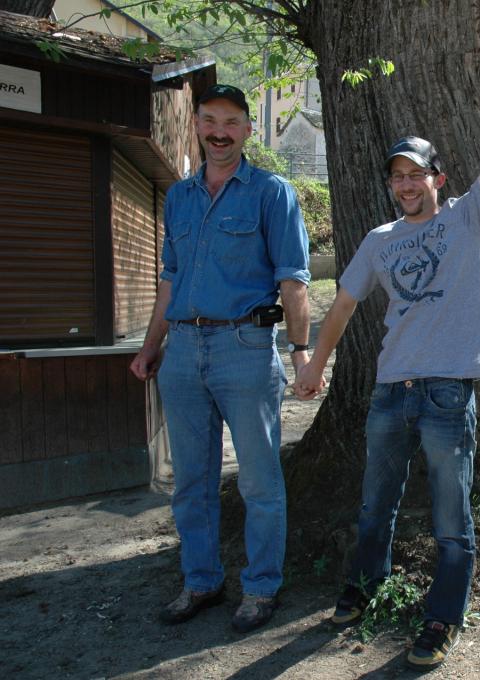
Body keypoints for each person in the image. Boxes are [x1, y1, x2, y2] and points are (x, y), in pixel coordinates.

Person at [292, 42, 480, 669]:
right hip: (391, 391)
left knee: (450, 518)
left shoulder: (467, 218)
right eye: (397, 177)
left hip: (447, 393)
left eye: (417, 174)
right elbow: (343, 306)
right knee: (373, 505)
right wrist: (315, 363)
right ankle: (364, 583)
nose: (406, 185)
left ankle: (442, 617)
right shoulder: (379, 239)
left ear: (439, 178)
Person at [130, 83, 311, 634]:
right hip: (183, 350)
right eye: (209, 120)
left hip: (245, 349)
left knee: (258, 480)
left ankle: (261, 588)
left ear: (248, 130)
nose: (219, 132)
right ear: (196, 125)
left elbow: (294, 280)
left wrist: (302, 353)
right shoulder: (179, 198)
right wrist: (151, 345)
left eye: (231, 122)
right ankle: (202, 580)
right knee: (191, 481)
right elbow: (170, 279)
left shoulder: (272, 193)